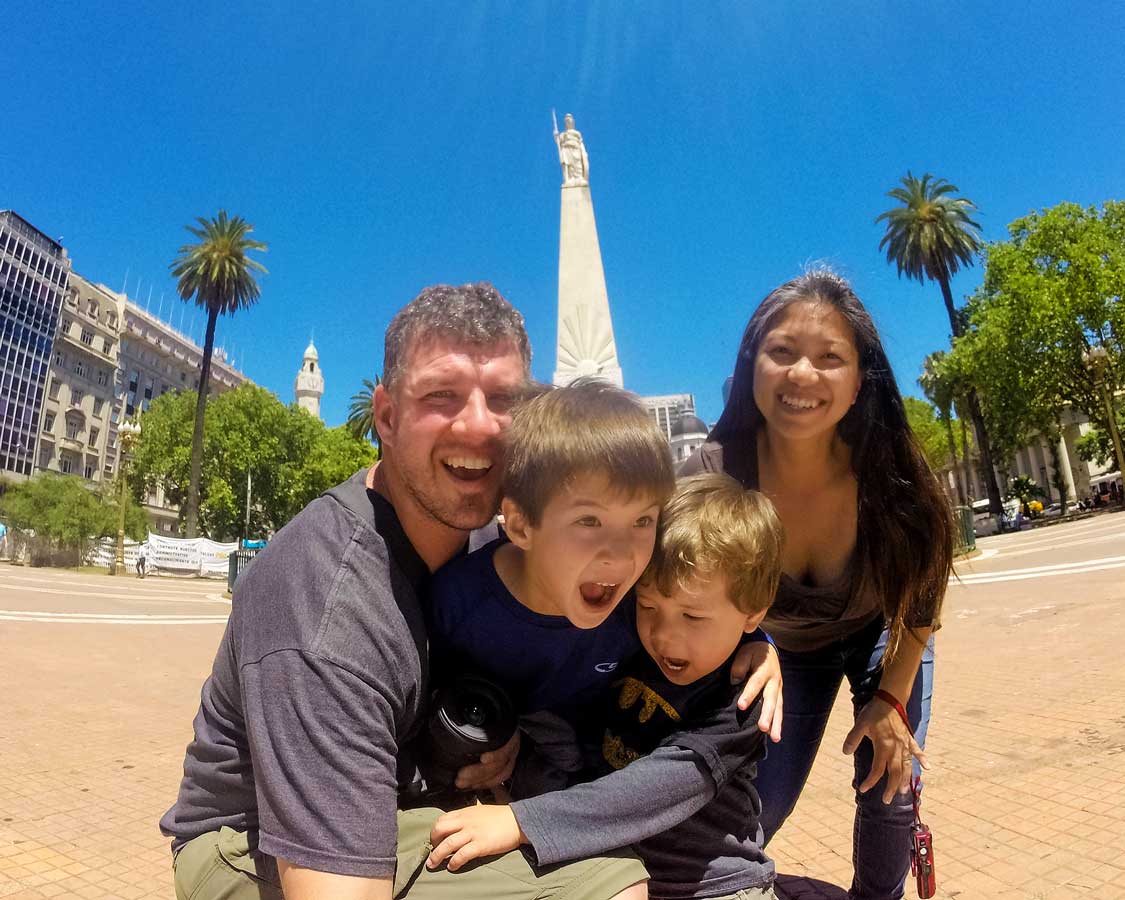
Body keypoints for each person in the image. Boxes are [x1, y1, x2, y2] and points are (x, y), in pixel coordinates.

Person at [160, 283, 648, 900]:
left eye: (504, 399)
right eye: (442, 396)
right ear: (386, 417)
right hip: (247, 844)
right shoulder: (330, 600)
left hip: (398, 797)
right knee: (604, 886)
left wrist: (752, 642)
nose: (479, 426)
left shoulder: (488, 541)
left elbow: (646, 561)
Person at [681, 270, 953, 900]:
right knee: (755, 811)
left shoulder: (889, 471)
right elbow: (676, 589)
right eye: (781, 352)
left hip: (880, 634)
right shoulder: (716, 474)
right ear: (752, 366)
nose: (802, 374)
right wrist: (740, 644)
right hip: (780, 651)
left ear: (861, 382)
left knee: (889, 787)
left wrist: (889, 703)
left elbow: (923, 590)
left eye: (831, 358)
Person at [427, 473, 786, 900]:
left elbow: (658, 788)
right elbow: (567, 724)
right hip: (612, 868)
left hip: (713, 885)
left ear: (753, 613)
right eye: (649, 605)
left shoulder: (742, 696)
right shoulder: (630, 644)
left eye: (693, 617)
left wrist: (523, 821)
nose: (664, 635)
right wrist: (514, 746)